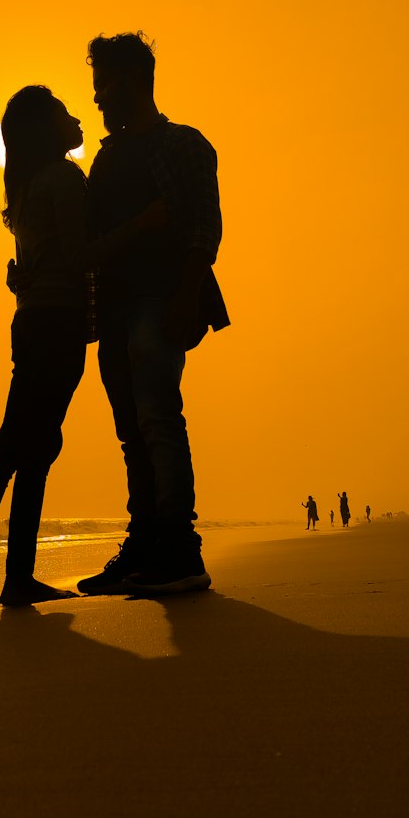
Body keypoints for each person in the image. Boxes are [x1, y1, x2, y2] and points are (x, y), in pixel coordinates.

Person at [0, 85, 163, 607]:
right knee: (22, 449)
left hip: (35, 322)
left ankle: (3, 572)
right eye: (65, 112)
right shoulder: (63, 178)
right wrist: (143, 223)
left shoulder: (25, 186)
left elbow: (38, 261)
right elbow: (81, 253)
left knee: (28, 447)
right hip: (55, 324)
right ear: (48, 128)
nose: (78, 118)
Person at [76, 32, 229, 596]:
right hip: (115, 309)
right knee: (130, 432)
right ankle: (143, 547)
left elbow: (202, 233)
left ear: (133, 83)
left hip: (158, 301)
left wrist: (186, 298)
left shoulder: (184, 145)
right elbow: (92, 238)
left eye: (104, 88)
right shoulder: (107, 158)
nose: (97, 101)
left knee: (159, 419)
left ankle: (180, 550)